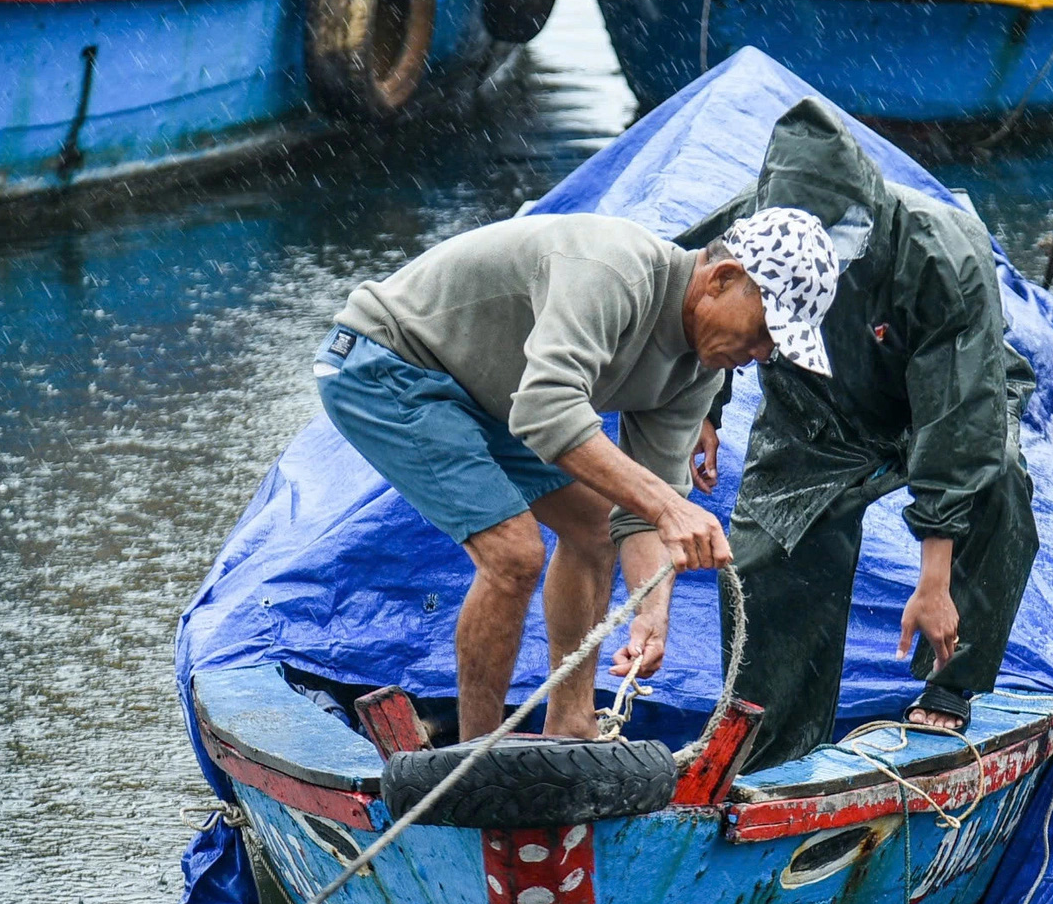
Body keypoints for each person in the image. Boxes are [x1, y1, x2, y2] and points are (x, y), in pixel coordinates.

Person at [314, 208, 839, 743]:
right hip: (387, 360)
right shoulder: (614, 273)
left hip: (486, 396)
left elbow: (637, 517)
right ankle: (474, 759)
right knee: (514, 555)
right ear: (722, 280)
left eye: (774, 347)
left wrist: (650, 612)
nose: (760, 355)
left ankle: (570, 724)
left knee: (594, 528)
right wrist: (668, 506)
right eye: (764, 332)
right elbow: (545, 408)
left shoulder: (701, 369)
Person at [680, 100, 1040, 771]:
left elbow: (958, 421)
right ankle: (771, 741)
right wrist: (705, 402)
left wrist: (933, 578)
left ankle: (953, 679)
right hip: (814, 413)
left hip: (934, 400)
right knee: (765, 560)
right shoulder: (747, 225)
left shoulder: (940, 253)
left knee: (998, 484)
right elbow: (690, 297)